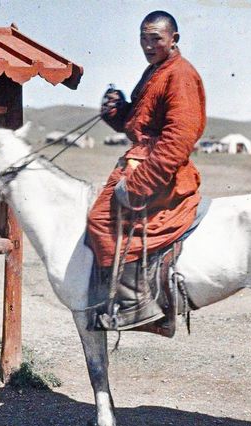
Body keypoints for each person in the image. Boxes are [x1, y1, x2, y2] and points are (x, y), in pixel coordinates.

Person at [87, 10, 207, 330]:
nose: (148, 45)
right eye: (144, 37)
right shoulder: (155, 71)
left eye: (156, 38)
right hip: (142, 159)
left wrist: (140, 183)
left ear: (174, 39)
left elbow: (178, 140)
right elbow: (140, 125)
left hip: (160, 170)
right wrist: (117, 111)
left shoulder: (179, 74)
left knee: (101, 219)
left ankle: (136, 304)